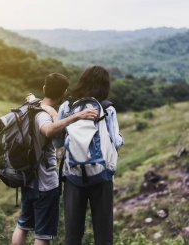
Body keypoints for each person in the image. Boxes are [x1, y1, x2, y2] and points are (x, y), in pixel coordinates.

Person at [11, 73, 98, 245]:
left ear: (44, 89)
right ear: (64, 92)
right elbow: (48, 131)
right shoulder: (44, 115)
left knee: (22, 226)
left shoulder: (32, 106)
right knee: (42, 235)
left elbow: (35, 102)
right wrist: (76, 116)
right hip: (45, 184)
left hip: (28, 179)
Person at [54, 66, 124, 245]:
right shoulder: (107, 108)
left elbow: (58, 141)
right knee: (103, 236)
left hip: (73, 175)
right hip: (102, 177)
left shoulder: (67, 106)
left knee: (73, 235)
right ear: (105, 85)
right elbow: (116, 141)